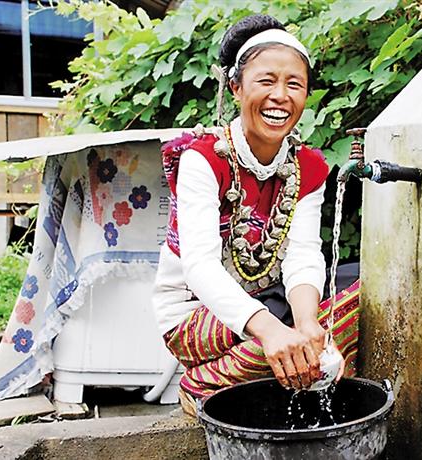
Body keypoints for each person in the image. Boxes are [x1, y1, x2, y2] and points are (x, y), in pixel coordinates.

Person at [153, 14, 360, 415]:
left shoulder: (308, 167)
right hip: (195, 318)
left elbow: (303, 254)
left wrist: (307, 323)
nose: (280, 96)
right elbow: (200, 267)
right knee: (286, 330)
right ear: (236, 87)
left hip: (273, 301)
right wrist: (272, 331)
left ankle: (274, 369)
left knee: (358, 294)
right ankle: (202, 387)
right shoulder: (203, 159)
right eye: (266, 81)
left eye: (294, 84)